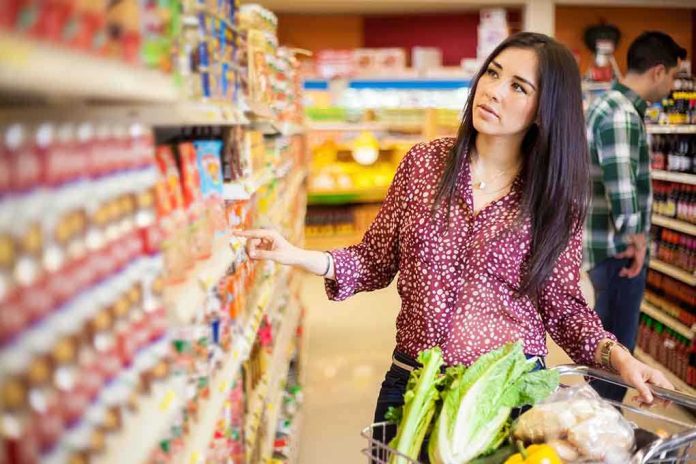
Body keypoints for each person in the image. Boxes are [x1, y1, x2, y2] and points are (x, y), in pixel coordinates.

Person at [235, 32, 673, 447]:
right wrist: (297, 255)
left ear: (544, 109)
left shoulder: (555, 198)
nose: (495, 90)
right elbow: (373, 259)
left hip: (504, 396)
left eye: (519, 87)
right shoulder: (424, 164)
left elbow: (561, 304)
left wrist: (619, 357)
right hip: (413, 384)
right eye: (494, 73)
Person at [584, 31, 686, 403]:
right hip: (619, 254)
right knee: (617, 355)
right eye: (674, 76)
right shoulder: (621, 113)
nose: (673, 85)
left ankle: (600, 425)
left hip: (605, 249)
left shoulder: (604, 104)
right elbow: (622, 191)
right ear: (658, 71)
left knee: (606, 349)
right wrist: (638, 244)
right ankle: (604, 437)